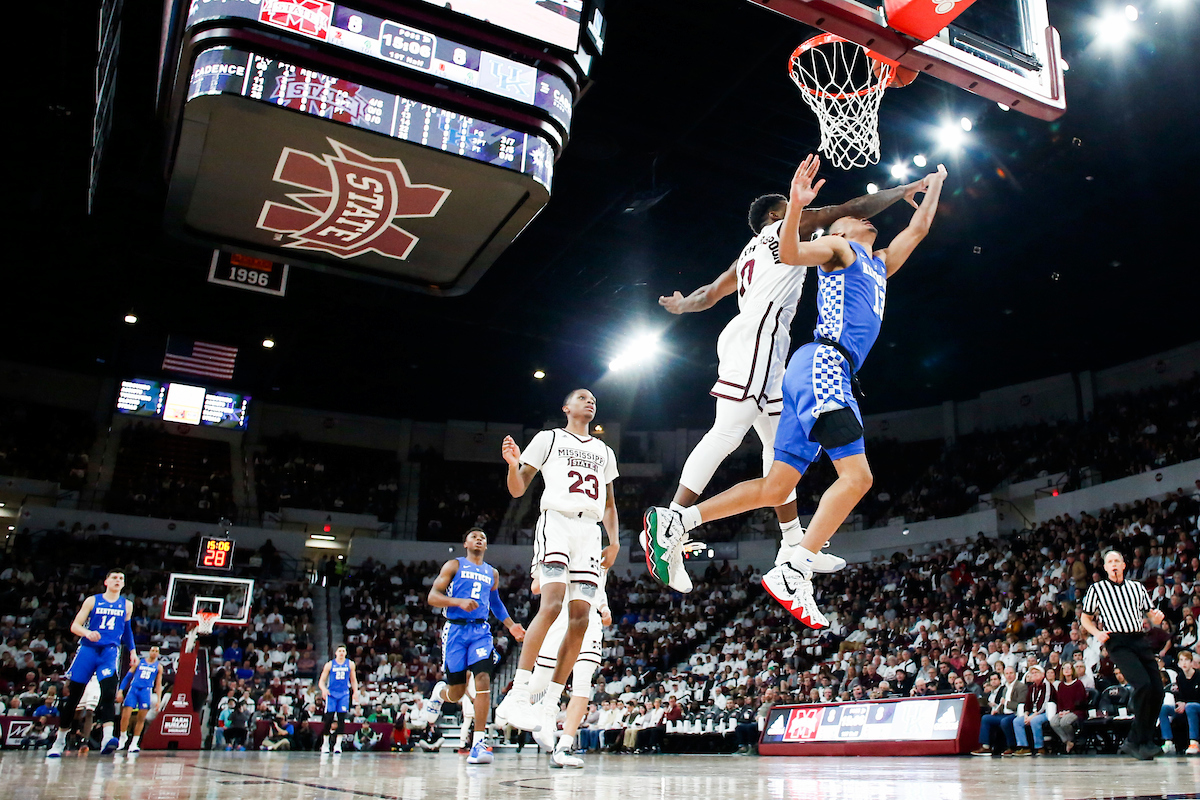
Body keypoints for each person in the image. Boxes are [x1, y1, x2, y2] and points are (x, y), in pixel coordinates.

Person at [644, 155, 948, 626]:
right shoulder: (833, 248)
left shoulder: (878, 263)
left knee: (778, 483)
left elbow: (918, 230)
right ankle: (784, 558)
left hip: (798, 361)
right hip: (810, 360)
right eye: (798, 211)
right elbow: (814, 232)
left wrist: (934, 186)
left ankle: (709, 527)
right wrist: (801, 208)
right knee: (846, 474)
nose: (859, 219)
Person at [496, 390, 620, 745]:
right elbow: (519, 489)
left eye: (594, 398)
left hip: (590, 531)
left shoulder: (604, 451)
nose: (590, 401)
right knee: (551, 604)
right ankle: (518, 693)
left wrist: (614, 541)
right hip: (558, 523)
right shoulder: (548, 438)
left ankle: (549, 705)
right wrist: (512, 465)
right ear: (566, 407)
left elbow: (610, 503)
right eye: (582, 397)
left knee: (580, 619)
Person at [424, 528, 526, 764]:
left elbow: (495, 602)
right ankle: (439, 694)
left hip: (481, 631)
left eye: (483, 538)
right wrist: (457, 601)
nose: (479, 539)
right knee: (457, 692)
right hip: (455, 630)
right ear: (465, 543)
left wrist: (511, 625)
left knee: (483, 678)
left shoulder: (492, 572)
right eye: (474, 536)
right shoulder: (454, 566)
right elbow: (433, 597)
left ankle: (478, 743)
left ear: (486, 546)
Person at [1080, 549, 1167, 760]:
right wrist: (1097, 633)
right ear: (1105, 567)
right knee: (1143, 684)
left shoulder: (1137, 587)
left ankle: (1141, 741)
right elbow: (1085, 618)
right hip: (1117, 641)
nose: (1114, 564)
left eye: (1117, 560)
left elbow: (1152, 616)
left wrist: (1157, 617)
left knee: (1157, 690)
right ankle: (1135, 739)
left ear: (1124, 565)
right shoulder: (1097, 589)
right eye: (1110, 561)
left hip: (1138, 638)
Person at [522, 568, 612, 768]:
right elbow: (536, 588)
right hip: (561, 616)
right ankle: (534, 707)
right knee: (538, 683)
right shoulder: (560, 544)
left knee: (582, 685)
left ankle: (564, 747)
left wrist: (605, 608)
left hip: (590, 620)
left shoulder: (600, 556)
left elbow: (600, 589)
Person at [47, 568, 137, 757]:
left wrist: (133, 652)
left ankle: (107, 739)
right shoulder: (93, 600)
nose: (118, 580)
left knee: (109, 692)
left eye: (121, 578)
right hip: (88, 651)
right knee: (74, 698)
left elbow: (127, 631)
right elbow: (75, 626)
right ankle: (59, 742)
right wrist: (87, 633)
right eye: (114, 578)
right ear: (106, 582)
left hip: (110, 652)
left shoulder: (127, 605)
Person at [115, 645, 163, 753]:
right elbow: (127, 677)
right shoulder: (139, 662)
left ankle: (134, 743)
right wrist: (121, 690)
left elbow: (158, 684)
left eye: (156, 651)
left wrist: (159, 700)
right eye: (153, 650)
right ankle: (123, 737)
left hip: (146, 691)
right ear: (149, 651)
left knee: (141, 718)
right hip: (134, 689)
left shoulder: (158, 667)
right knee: (125, 715)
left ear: (158, 654)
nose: (154, 652)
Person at [318, 644, 360, 754]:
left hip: (344, 694)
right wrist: (323, 689)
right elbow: (321, 681)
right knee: (329, 718)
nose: (341, 653)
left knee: (341, 719)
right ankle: (325, 743)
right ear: (336, 653)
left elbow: (353, 680)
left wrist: (355, 692)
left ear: (345, 653)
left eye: (343, 651)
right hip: (331, 694)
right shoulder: (329, 664)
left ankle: (338, 744)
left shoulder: (350, 664)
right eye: (339, 651)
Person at [1159, 648, 1200, 754]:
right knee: (1163, 709)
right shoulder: (1179, 678)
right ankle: (1168, 742)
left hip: (1196, 707)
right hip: (1186, 707)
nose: (1184, 663)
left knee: (1190, 707)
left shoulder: (1198, 675)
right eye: (1181, 660)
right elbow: (1179, 697)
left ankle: (1194, 742)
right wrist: (1181, 703)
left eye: (1186, 660)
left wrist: (1185, 704)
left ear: (1191, 662)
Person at [1012, 663, 1055, 756]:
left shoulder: (1047, 685)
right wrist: (1026, 714)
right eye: (1032, 673)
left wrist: (1032, 716)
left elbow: (1045, 704)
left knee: (1035, 721)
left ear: (1042, 674)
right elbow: (1027, 704)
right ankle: (1024, 746)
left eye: (1036, 672)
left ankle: (1039, 747)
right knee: (1017, 721)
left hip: (1045, 712)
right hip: (1032, 713)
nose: (1034, 674)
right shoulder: (1032, 687)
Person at [1048, 662, 1088, 754]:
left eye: (1068, 668)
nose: (1066, 670)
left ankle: (1071, 740)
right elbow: (1059, 701)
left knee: (1064, 722)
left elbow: (1080, 701)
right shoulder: (1061, 685)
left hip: (1077, 711)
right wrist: (1060, 712)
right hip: (1064, 711)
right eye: (1064, 668)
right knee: (1053, 722)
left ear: (1072, 670)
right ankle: (1067, 741)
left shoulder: (1078, 683)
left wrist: (1068, 711)